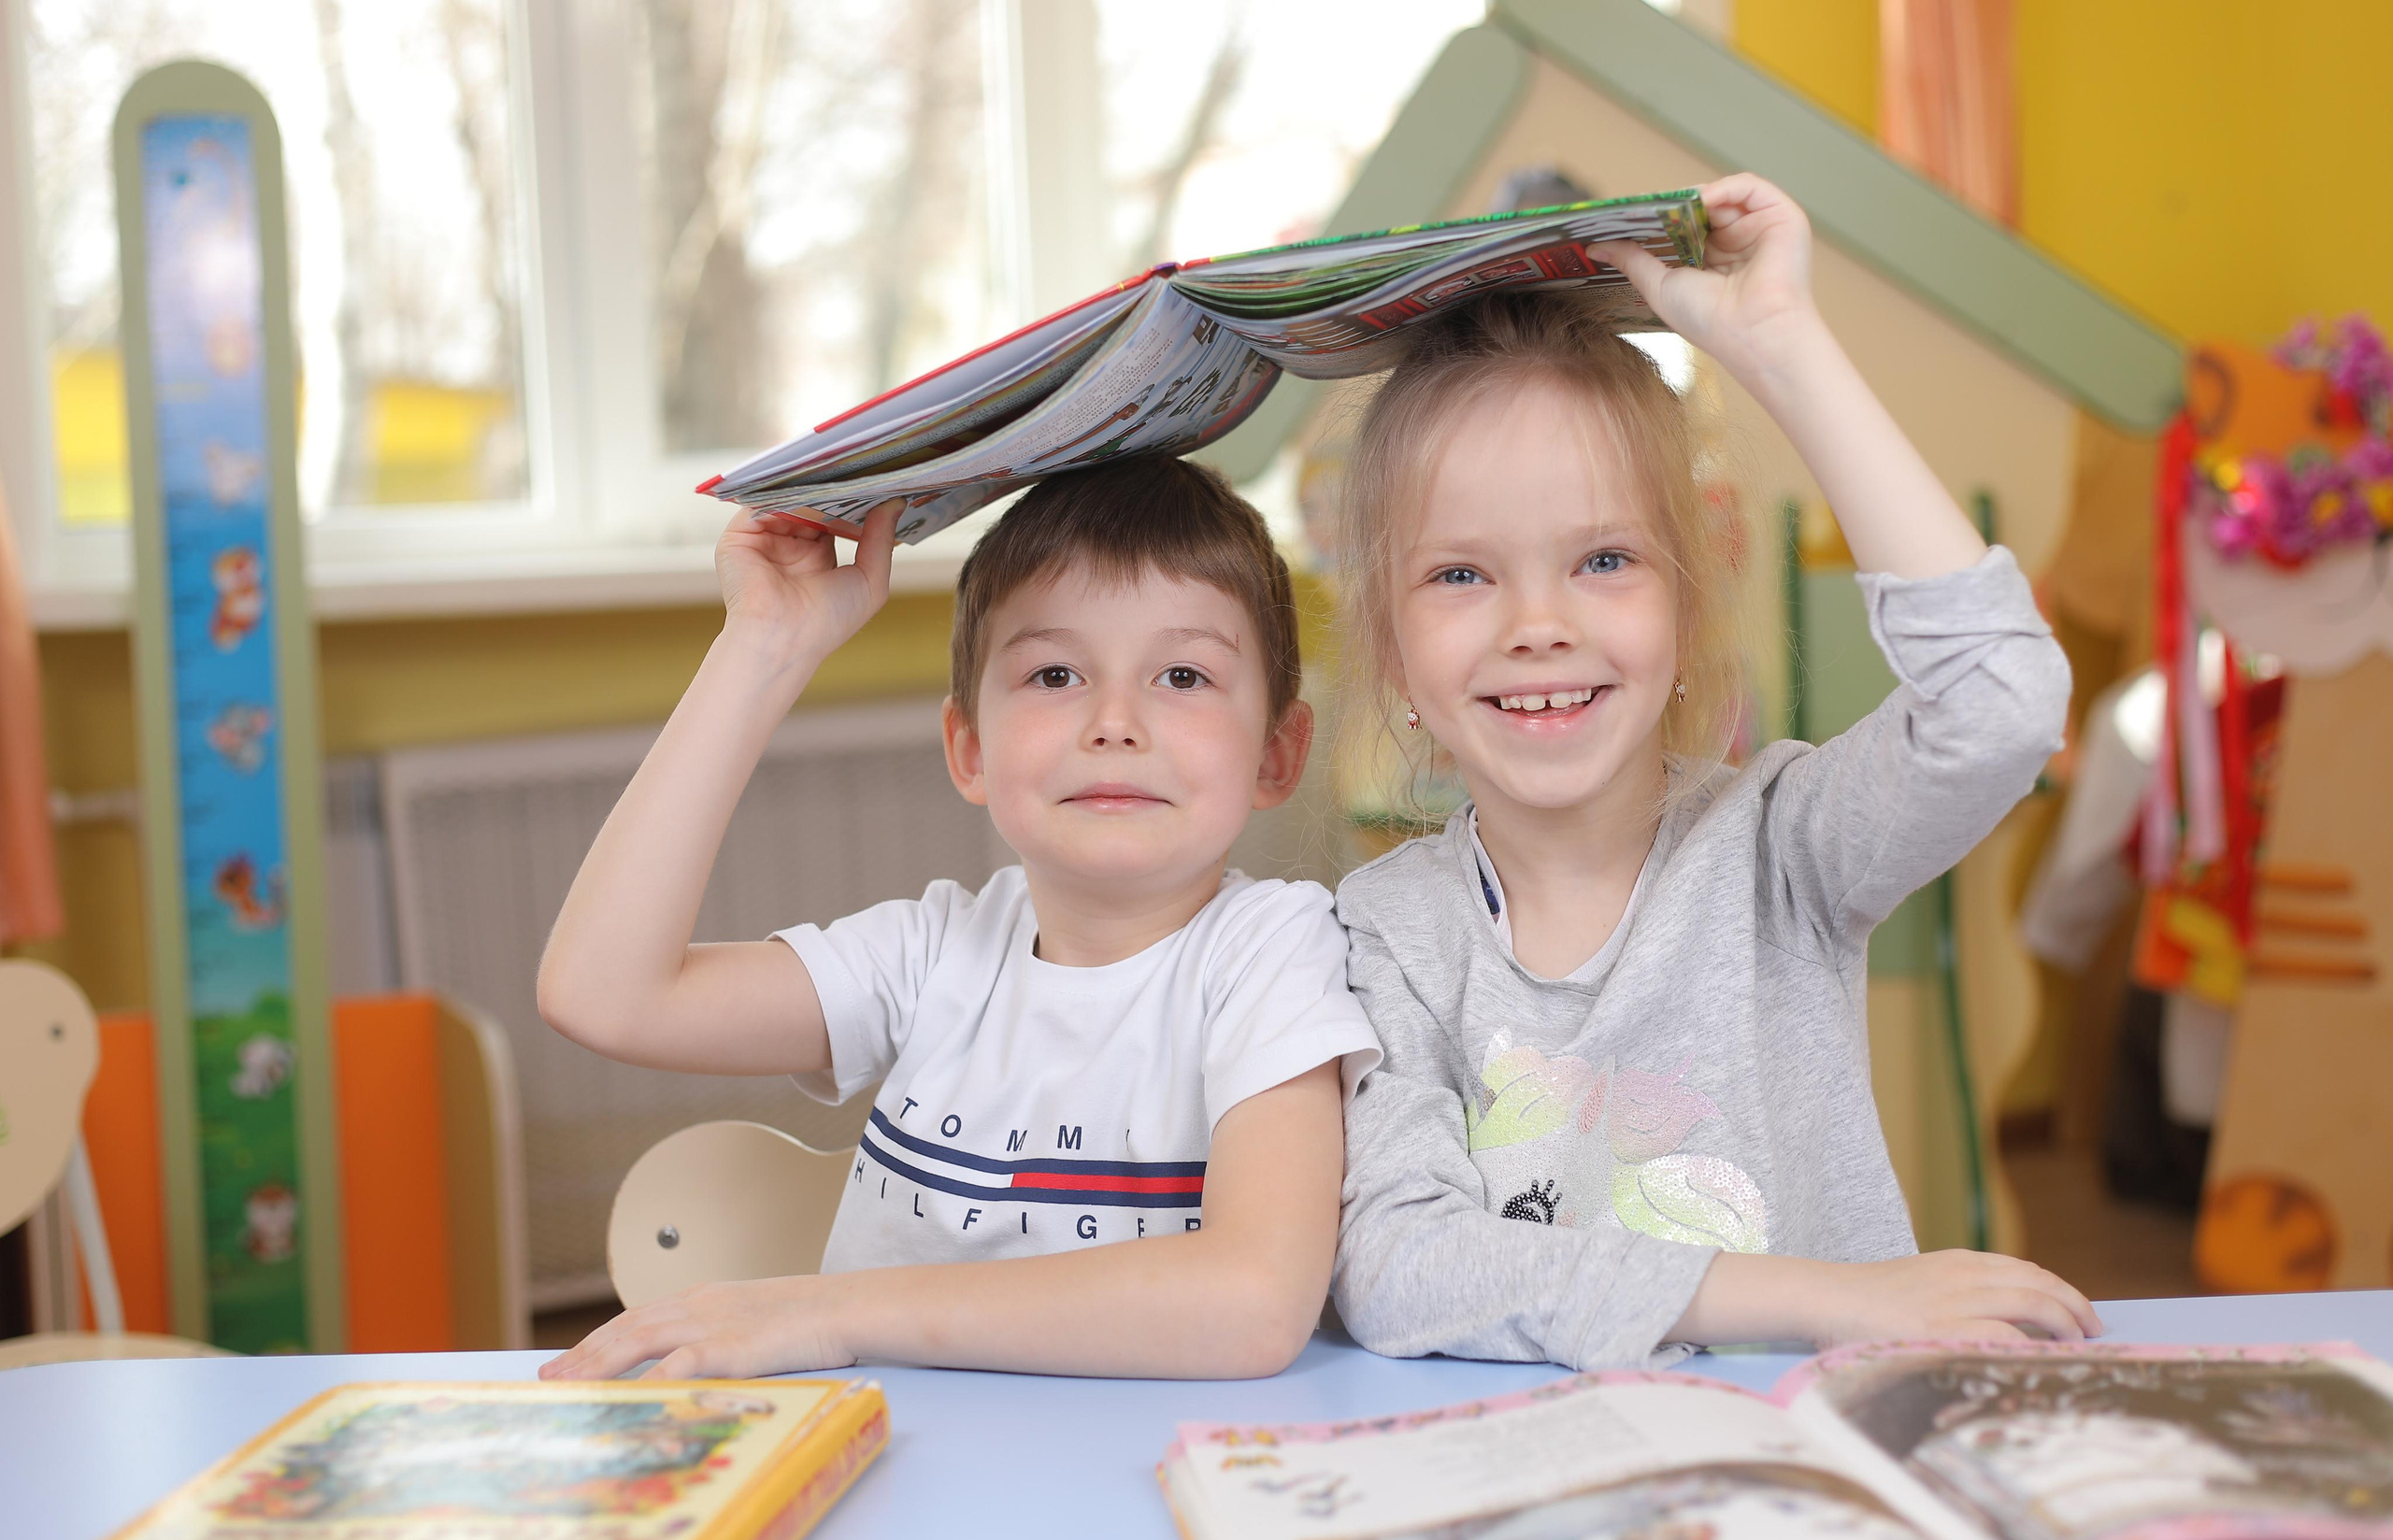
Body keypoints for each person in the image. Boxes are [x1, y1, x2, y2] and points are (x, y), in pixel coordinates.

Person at [1327, 173, 2102, 1369]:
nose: (1538, 623)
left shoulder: (1783, 848)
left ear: (1688, 608)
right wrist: (1823, 1295)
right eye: (1461, 575)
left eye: (1602, 558)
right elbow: (1397, 1266)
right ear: (1391, 645)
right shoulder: (1384, 934)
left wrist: (1784, 349)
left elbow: (1999, 705)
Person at [537, 456, 1377, 1380]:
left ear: (1275, 753)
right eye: (1055, 673)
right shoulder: (931, 954)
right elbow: (603, 995)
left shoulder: (1272, 954)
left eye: (1182, 674)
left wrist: (835, 1310)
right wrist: (762, 646)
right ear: (968, 748)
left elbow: (1252, 1305)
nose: (1113, 720)